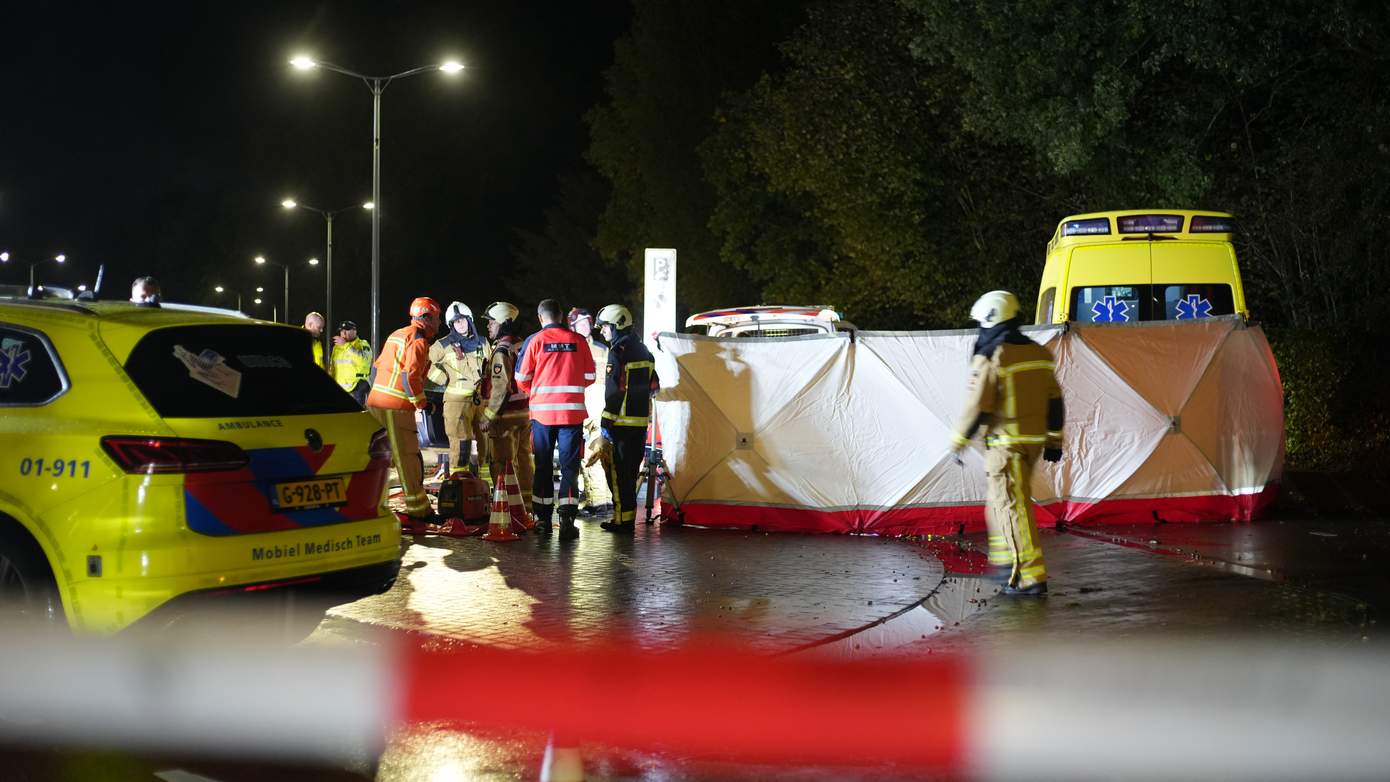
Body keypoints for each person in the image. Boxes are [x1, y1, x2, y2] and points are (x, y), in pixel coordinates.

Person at [948, 290, 1064, 596]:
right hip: (1032, 443)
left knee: (1012, 508)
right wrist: (1054, 440)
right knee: (997, 504)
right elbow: (1055, 401)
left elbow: (978, 405)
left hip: (1005, 445)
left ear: (991, 319)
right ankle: (1002, 561)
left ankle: (1028, 576)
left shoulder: (994, 356)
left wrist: (958, 441)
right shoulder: (1040, 354)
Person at [515, 298, 595, 540]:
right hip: (571, 414)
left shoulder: (535, 341)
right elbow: (590, 376)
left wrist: (538, 392)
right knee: (570, 468)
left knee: (543, 466)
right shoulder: (579, 341)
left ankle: (542, 520)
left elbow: (521, 377)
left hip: (542, 415)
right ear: (560, 316)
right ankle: (568, 522)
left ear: (541, 318)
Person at [366, 297, 444, 533]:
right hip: (396, 406)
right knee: (408, 457)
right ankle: (419, 511)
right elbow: (409, 377)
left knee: (377, 457)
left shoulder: (398, 334)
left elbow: (376, 368)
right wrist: (422, 404)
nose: (439, 324)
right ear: (428, 318)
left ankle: (371, 506)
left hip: (375, 402)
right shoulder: (418, 340)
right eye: (437, 318)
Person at [586, 304, 659, 534]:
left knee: (618, 477)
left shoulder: (617, 352)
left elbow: (615, 391)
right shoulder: (645, 352)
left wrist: (606, 422)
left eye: (605, 327)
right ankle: (625, 520)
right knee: (630, 474)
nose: (602, 332)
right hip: (639, 426)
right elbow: (654, 386)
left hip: (620, 425)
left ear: (617, 325)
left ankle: (622, 522)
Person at [477, 301, 534, 510]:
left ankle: (507, 507)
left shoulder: (502, 350)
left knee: (501, 462)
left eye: (491, 322)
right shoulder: (523, 345)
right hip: (525, 413)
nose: (489, 326)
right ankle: (526, 505)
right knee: (524, 459)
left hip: (506, 415)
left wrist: (489, 416)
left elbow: (500, 387)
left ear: (502, 323)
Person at [428, 302, 487, 477]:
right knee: (461, 445)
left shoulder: (482, 342)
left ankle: (490, 487)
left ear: (470, 320)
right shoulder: (443, 344)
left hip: (481, 400)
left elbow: (490, 368)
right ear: (451, 325)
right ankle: (459, 483)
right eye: (456, 322)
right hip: (456, 402)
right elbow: (424, 363)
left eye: (462, 320)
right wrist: (444, 379)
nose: (460, 324)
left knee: (488, 443)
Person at [570, 307, 614, 516]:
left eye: (586, 323)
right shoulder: (599, 349)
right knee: (601, 451)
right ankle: (605, 500)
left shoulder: (579, 349)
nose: (585, 326)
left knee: (590, 453)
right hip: (597, 403)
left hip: (591, 404)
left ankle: (596, 503)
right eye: (580, 324)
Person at [331, 320, 373, 406]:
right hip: (340, 389)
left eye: (347, 330)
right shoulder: (337, 347)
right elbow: (333, 367)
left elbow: (364, 361)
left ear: (355, 331)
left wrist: (346, 345)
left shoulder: (363, 344)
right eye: (342, 331)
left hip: (357, 388)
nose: (343, 333)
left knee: (357, 417)